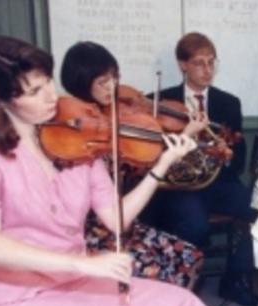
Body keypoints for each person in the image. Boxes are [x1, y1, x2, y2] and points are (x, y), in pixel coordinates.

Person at [0, 36, 249, 306]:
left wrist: (161, 168)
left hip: (73, 281)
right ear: (2, 99)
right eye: (34, 91)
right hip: (13, 301)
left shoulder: (72, 144)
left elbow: (116, 219)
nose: (52, 96)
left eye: (48, 83)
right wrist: (80, 261)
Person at [60, 41, 205, 290]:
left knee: (190, 256)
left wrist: (175, 144)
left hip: (122, 217)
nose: (112, 87)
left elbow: (133, 168)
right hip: (91, 229)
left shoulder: (118, 115)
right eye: (102, 82)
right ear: (81, 83)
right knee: (155, 268)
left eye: (114, 78)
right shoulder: (71, 126)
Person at [142, 32, 258, 306]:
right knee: (195, 226)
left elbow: (238, 159)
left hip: (218, 183)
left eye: (211, 63)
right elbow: (153, 153)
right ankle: (184, 285)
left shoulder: (229, 103)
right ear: (182, 65)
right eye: (199, 63)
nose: (207, 70)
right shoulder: (159, 101)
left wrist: (228, 154)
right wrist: (186, 133)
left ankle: (234, 279)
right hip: (181, 188)